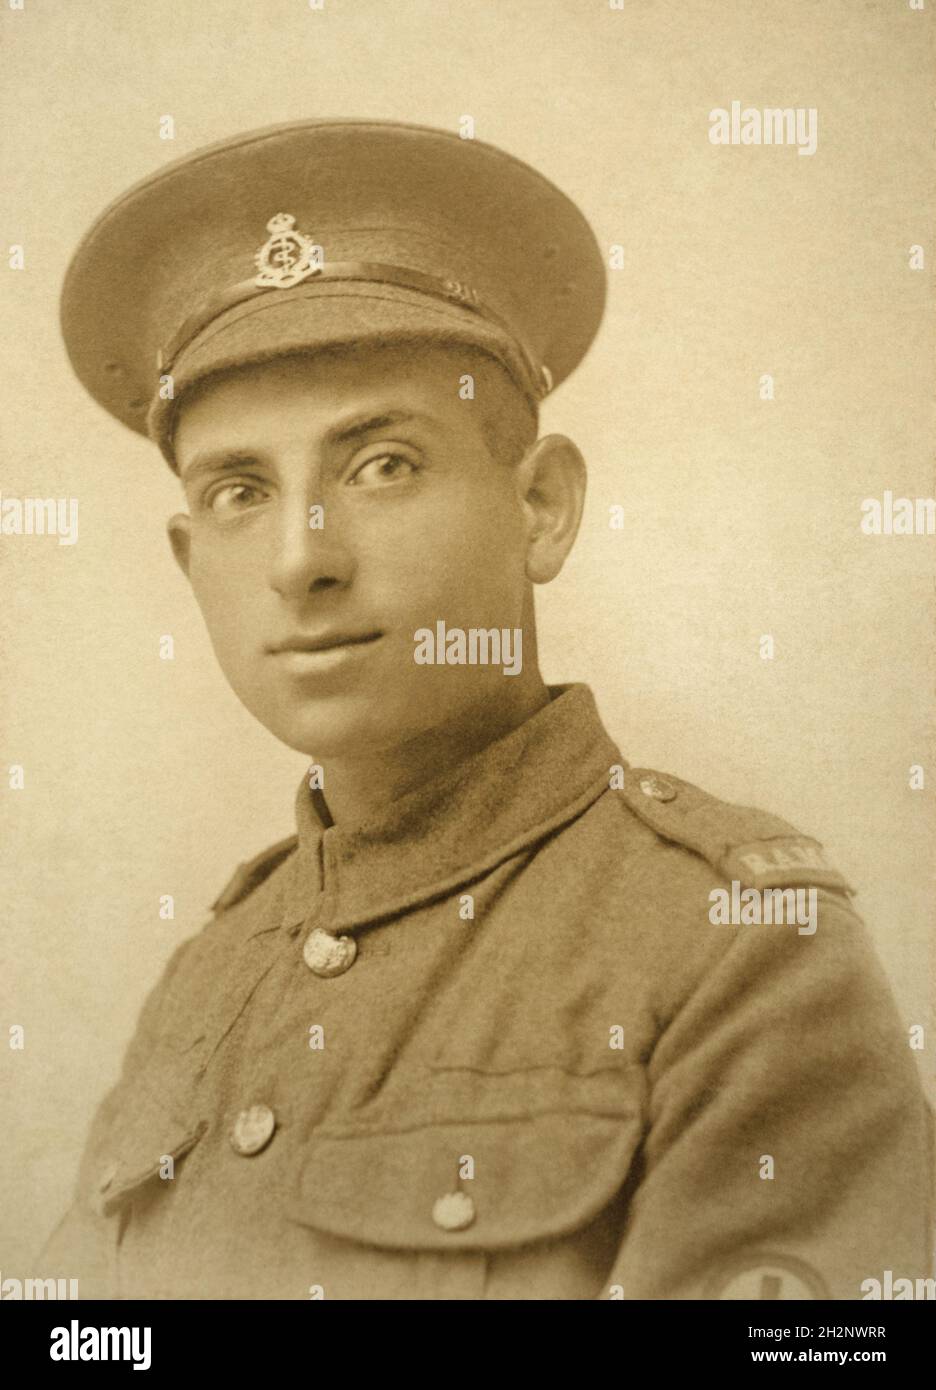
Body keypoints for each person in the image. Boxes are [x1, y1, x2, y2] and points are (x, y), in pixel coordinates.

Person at [38, 119, 932, 1300]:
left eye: (383, 464)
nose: (301, 559)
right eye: (241, 491)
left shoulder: (736, 942)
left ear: (544, 508)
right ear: (186, 557)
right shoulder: (210, 973)